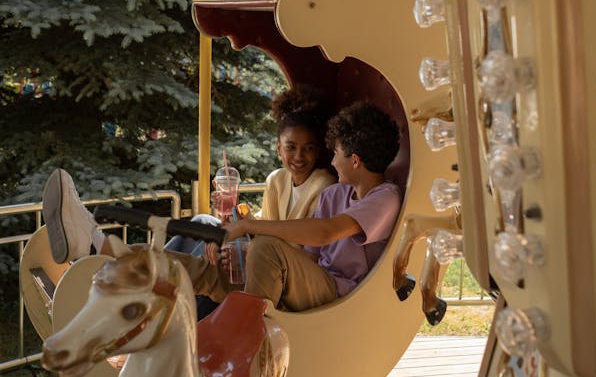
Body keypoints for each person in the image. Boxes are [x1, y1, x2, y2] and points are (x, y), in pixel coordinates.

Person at [43, 101, 402, 312]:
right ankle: (98, 245)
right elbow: (306, 254)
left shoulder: (383, 197)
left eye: (336, 152)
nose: (331, 159)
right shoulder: (334, 195)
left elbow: (325, 233)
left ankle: (243, 335)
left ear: (354, 160)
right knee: (205, 270)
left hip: (337, 292)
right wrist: (244, 250)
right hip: (302, 277)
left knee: (263, 245)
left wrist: (250, 230)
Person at [163, 85, 336, 317]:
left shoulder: (324, 185)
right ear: (278, 148)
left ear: (317, 152)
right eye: (291, 148)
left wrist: (245, 243)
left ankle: (170, 302)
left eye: (308, 149)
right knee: (203, 223)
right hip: (265, 257)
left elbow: (297, 251)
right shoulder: (276, 180)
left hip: (291, 275)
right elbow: (265, 230)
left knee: (215, 263)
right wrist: (234, 216)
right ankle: (152, 272)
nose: (298, 156)